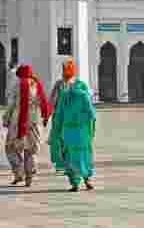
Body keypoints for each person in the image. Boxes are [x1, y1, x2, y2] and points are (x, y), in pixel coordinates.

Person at [49, 59, 96, 192]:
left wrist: (55, 131)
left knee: (69, 155)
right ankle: (87, 179)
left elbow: (59, 113)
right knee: (84, 154)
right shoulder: (82, 88)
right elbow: (91, 114)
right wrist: (91, 129)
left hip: (68, 129)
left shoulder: (63, 91)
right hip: (82, 131)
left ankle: (75, 183)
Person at [3, 65, 50, 187]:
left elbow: (11, 104)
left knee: (11, 148)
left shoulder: (18, 85)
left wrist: (6, 118)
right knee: (31, 150)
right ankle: (29, 176)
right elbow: (44, 102)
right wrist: (45, 116)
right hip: (34, 121)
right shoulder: (36, 84)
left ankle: (19, 173)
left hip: (18, 121)